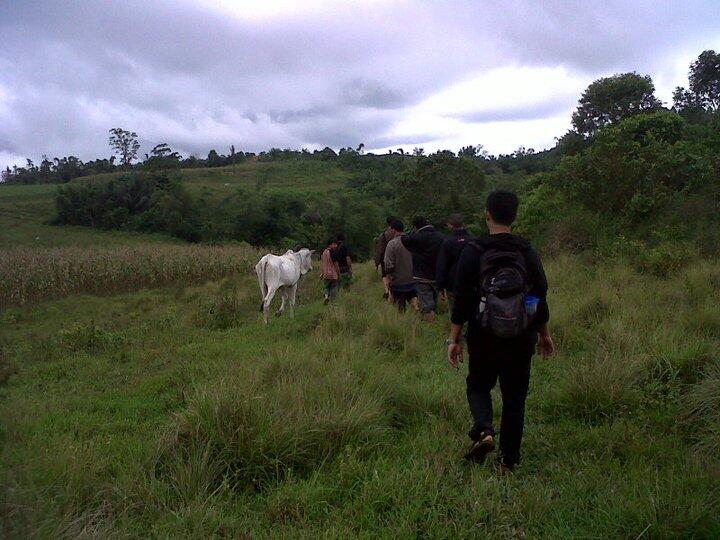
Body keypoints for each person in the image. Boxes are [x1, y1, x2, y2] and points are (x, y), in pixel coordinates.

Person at [447, 190, 555, 473]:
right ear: (515, 216)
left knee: (479, 385)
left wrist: (454, 339)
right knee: (515, 395)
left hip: (483, 335)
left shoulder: (474, 251)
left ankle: (484, 430)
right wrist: (543, 334)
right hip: (521, 335)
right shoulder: (526, 251)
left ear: (487, 214)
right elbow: (538, 296)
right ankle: (509, 461)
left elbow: (461, 298)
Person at [401, 216, 445, 322]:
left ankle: (431, 325)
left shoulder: (417, 237)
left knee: (427, 305)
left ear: (416, 227)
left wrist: (412, 232)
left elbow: (404, 239)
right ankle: (436, 323)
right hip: (437, 275)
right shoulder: (440, 236)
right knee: (434, 303)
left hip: (422, 276)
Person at [435, 213, 471, 312]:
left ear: (451, 225)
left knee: (455, 311)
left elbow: (442, 265)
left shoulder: (447, 242)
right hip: (471, 281)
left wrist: (440, 286)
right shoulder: (472, 240)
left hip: (453, 283)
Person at [383, 219, 417, 313]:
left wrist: (389, 279)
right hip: (412, 278)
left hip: (398, 281)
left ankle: (401, 323)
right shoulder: (411, 241)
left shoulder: (392, 244)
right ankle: (417, 315)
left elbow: (388, 264)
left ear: (393, 230)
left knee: (400, 307)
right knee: (413, 299)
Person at [375, 217, 396, 300]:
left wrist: (377, 262)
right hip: (398, 258)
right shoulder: (399, 233)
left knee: (385, 275)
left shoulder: (384, 235)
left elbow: (380, 250)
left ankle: (387, 291)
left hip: (385, 259)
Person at [319, 237, 341, 304]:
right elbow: (336, 264)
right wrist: (338, 273)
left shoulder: (324, 252)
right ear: (330, 245)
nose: (336, 246)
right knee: (333, 288)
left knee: (326, 287)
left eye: (336, 244)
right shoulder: (333, 252)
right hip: (333, 274)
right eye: (334, 244)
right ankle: (333, 302)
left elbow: (323, 263)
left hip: (326, 274)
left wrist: (322, 273)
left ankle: (326, 297)